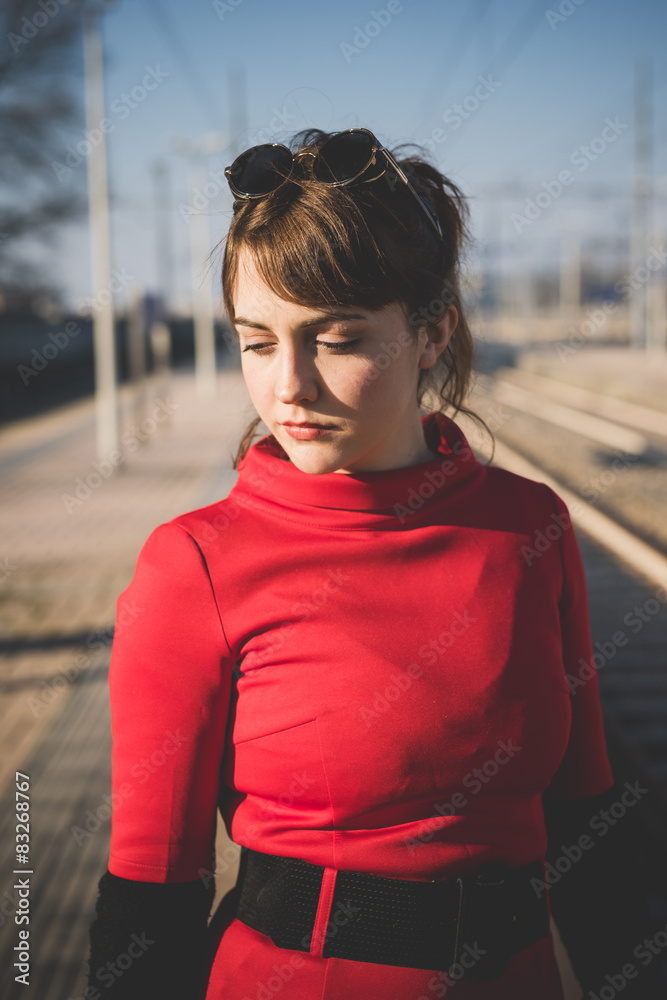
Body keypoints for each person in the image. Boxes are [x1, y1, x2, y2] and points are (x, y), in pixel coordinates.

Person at [86, 127, 664, 999]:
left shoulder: (530, 528)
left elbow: (590, 821)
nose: (289, 385)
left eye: (338, 338)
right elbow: (150, 892)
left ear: (433, 333)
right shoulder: (193, 565)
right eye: (256, 340)